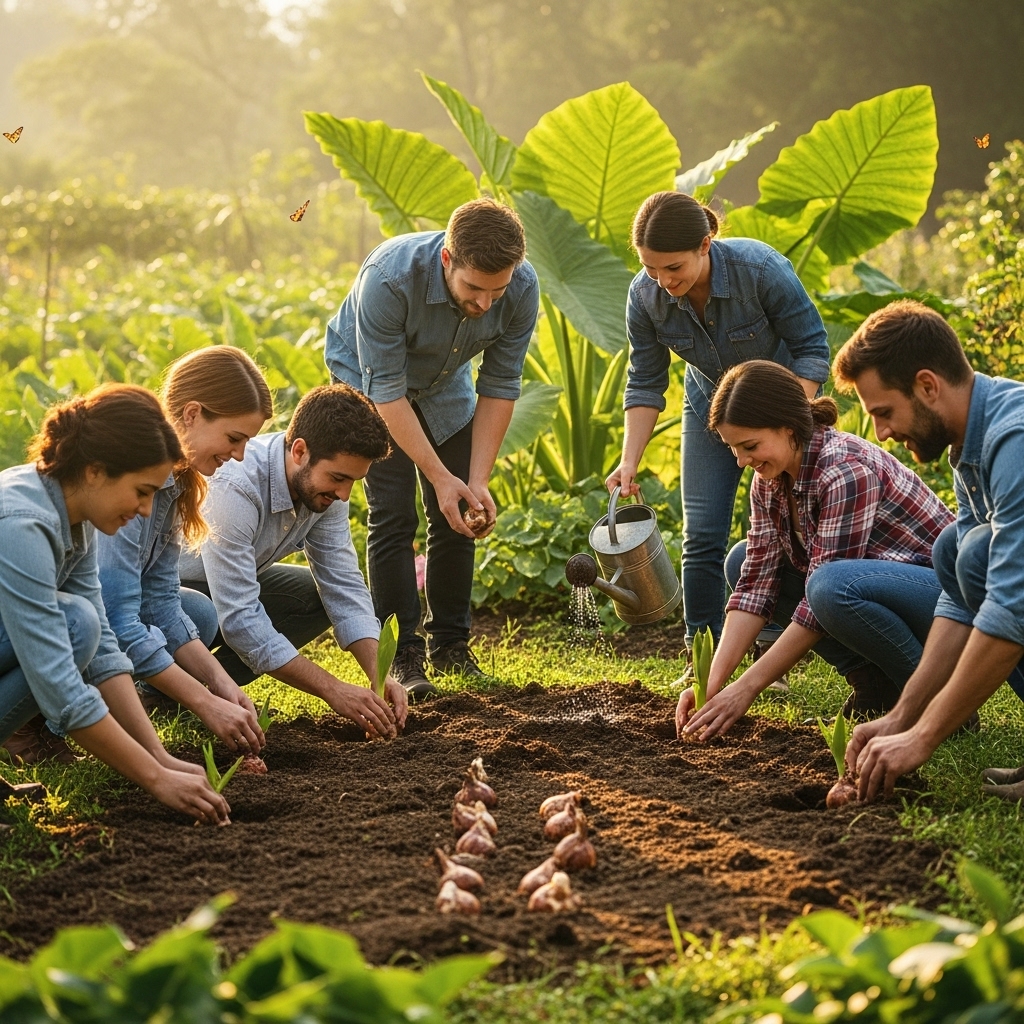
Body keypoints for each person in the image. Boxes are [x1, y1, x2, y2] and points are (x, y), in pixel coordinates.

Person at [607, 192, 831, 670]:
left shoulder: (760, 270)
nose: (664, 283)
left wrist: (785, 418)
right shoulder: (644, 297)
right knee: (702, 535)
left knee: (784, 530)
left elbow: (811, 346)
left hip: (780, 413)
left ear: (705, 244)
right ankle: (702, 653)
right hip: (708, 408)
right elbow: (645, 380)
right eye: (651, 269)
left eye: (674, 268)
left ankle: (773, 647)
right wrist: (629, 460)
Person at [324, 198, 540, 693]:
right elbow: (387, 392)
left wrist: (474, 480)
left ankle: (451, 647)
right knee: (393, 514)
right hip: (370, 384)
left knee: (459, 512)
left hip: (446, 388)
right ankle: (403, 657)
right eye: (473, 288)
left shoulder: (522, 288)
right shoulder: (389, 278)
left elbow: (501, 383)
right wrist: (440, 476)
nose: (486, 303)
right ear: (448, 259)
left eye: (497, 290)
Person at [674, 360, 954, 740]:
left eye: (750, 446)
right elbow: (755, 586)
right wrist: (712, 684)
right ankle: (873, 681)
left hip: (944, 600)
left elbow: (820, 603)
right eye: (733, 449)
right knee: (742, 562)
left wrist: (745, 690)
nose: (742, 461)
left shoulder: (843, 471)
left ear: (788, 427)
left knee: (828, 588)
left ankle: (935, 700)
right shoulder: (770, 482)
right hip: (874, 594)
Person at [0, 384, 230, 824]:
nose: (146, 510)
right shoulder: (23, 525)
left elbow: (104, 649)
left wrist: (160, 758)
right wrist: (155, 779)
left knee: (86, 625)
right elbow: (62, 689)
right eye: (141, 491)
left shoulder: (74, 516)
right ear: (94, 471)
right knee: (73, 623)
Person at [832, 300, 1024, 803]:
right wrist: (902, 715)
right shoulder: (971, 442)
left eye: (884, 412)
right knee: (955, 549)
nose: (882, 434)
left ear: (927, 386)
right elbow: (960, 599)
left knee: (978, 553)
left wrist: (923, 737)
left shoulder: (1014, 440)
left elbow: (1010, 608)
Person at [179, 383, 408, 739]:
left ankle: (191, 691)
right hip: (176, 595)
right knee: (203, 613)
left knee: (311, 597)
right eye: (338, 478)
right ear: (299, 450)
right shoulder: (234, 487)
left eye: (353, 481)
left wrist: (380, 675)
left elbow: (343, 584)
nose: (344, 494)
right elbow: (240, 618)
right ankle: (165, 687)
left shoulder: (325, 490)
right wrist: (333, 690)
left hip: (228, 585)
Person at [97, 346, 273, 755]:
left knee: (196, 611)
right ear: (191, 414)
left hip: (99, 616)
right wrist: (204, 702)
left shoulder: (177, 486)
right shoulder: (128, 479)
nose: (240, 455)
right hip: (59, 621)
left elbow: (161, 600)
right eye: (234, 438)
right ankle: (36, 723)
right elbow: (115, 619)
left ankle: (138, 689)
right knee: (93, 628)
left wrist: (222, 686)